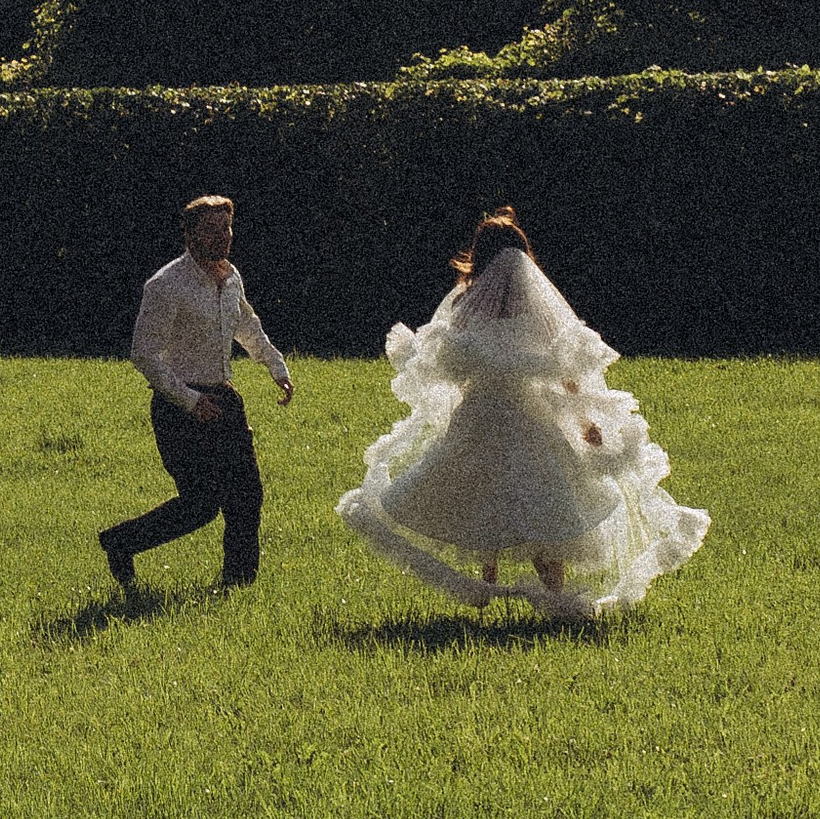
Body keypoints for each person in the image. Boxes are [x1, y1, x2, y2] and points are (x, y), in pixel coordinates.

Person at [337, 206, 707, 618]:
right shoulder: (537, 308)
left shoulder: (466, 304)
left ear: (478, 256)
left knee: (482, 490)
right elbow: (567, 372)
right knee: (542, 499)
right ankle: (553, 592)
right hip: (530, 415)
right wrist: (586, 422)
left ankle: (487, 579)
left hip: (481, 412)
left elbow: (448, 364)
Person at [101, 193, 294, 591]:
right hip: (180, 410)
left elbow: (247, 326)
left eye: (226, 228)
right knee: (200, 506)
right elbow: (144, 354)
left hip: (225, 400)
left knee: (246, 497)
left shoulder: (230, 276)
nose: (222, 237)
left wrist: (277, 369)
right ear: (188, 235)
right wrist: (188, 400)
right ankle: (120, 542)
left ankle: (237, 587)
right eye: (211, 229)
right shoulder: (166, 285)